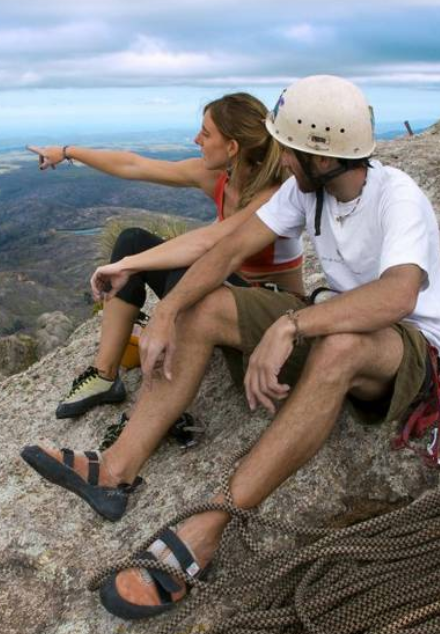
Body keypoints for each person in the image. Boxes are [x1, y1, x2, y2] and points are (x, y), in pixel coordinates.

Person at [24, 75, 440, 620]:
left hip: (412, 350)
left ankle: (209, 527)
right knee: (208, 306)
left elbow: (397, 295)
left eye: (291, 148)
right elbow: (229, 250)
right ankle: (115, 469)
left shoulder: (398, 198)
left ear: (320, 158)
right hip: (339, 322)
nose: (282, 155)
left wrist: (292, 328)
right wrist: (172, 312)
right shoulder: (307, 190)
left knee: (341, 346)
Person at [28, 93, 301, 420]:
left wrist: (125, 267)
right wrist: (67, 152)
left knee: (182, 271)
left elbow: (208, 242)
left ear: (232, 148)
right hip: (227, 292)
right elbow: (135, 165)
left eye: (206, 133)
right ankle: (104, 375)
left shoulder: (273, 195)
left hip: (263, 314)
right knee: (131, 240)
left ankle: (165, 407)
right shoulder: (216, 177)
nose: (196, 139)